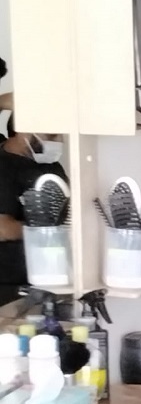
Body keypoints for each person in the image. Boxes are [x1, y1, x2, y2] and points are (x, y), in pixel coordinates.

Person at [0, 118, 68, 305]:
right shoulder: (4, 166)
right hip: (11, 284)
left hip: (53, 273)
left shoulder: (51, 165)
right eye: (51, 135)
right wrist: (46, 231)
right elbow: (3, 229)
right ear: (23, 130)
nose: (56, 141)